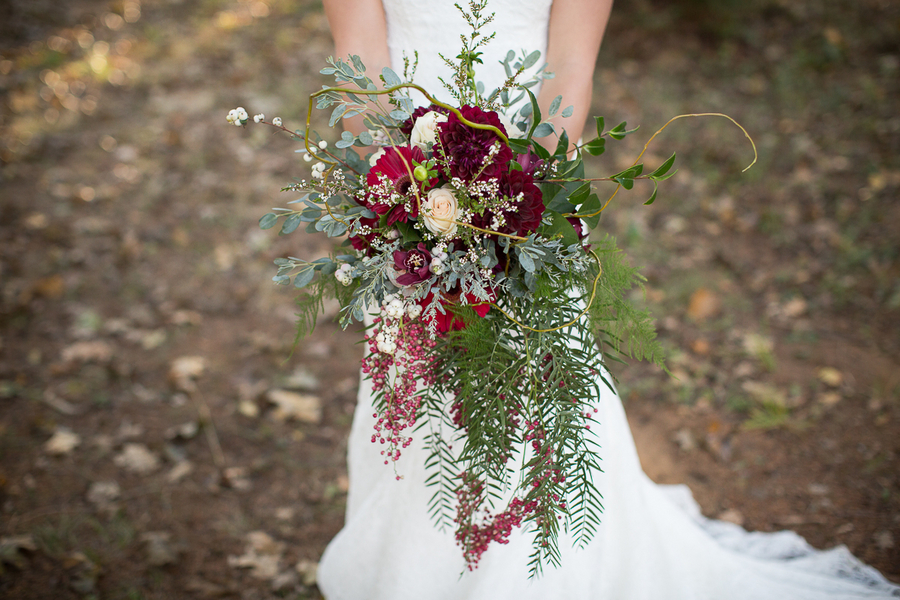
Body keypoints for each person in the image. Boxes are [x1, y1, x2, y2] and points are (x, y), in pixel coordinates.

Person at [315, 1, 900, 598]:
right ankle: (414, 569)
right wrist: (408, 192)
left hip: (523, 190)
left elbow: (569, 67)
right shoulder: (407, 194)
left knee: (535, 386)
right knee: (417, 386)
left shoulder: (525, 189)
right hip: (409, 190)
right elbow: (358, 61)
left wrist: (514, 197)